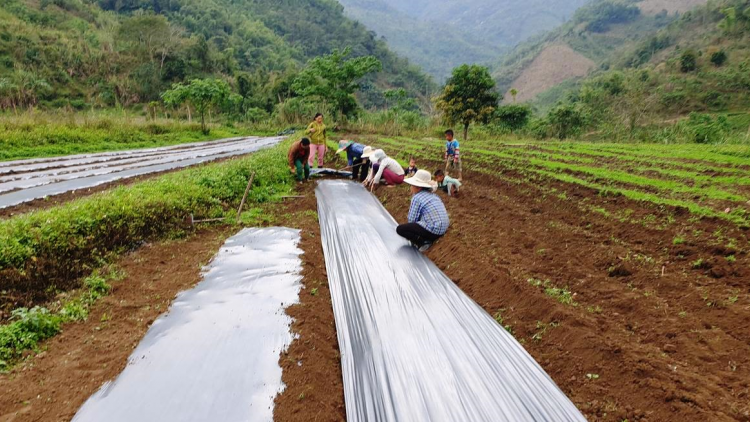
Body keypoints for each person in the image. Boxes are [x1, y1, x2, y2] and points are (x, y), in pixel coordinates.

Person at [396, 170, 450, 252]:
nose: (410, 188)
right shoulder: (434, 195)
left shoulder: (417, 198)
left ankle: (422, 242)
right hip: (443, 228)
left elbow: (412, 220)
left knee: (400, 229)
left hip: (433, 231)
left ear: (418, 187)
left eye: (412, 185)